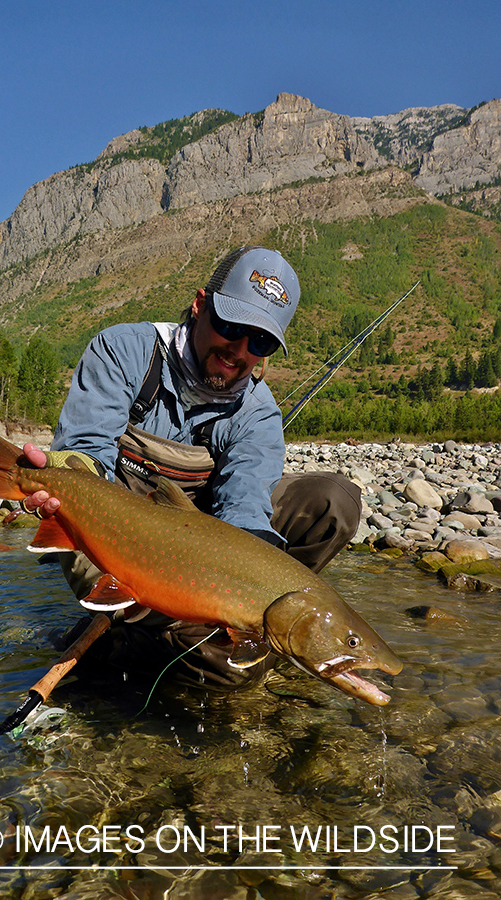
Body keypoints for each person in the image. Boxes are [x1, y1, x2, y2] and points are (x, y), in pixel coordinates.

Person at [22, 246, 361, 688]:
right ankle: (128, 639)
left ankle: (261, 634)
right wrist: (59, 477)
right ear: (200, 305)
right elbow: (86, 453)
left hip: (202, 542)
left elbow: (243, 514)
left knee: (333, 500)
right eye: (230, 327)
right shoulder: (124, 351)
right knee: (217, 666)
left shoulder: (258, 413)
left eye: (259, 342)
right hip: (112, 527)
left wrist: (247, 602)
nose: (237, 351)